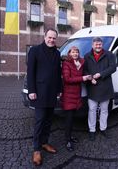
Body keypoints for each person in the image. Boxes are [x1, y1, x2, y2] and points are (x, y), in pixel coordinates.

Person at [27, 28, 62, 166]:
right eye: (50, 37)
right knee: (40, 121)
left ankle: (45, 142)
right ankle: (36, 149)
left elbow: (58, 72)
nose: (51, 40)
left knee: (48, 120)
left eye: (54, 38)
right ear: (45, 36)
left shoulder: (57, 53)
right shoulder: (35, 50)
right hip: (39, 92)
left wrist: (59, 89)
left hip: (52, 92)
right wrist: (31, 90)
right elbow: (30, 72)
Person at [83, 37, 116, 141]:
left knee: (104, 110)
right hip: (92, 87)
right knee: (92, 110)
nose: (98, 46)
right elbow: (85, 71)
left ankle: (103, 128)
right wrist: (90, 78)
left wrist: (100, 74)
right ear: (92, 45)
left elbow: (113, 68)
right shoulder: (87, 56)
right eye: (96, 44)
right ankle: (92, 130)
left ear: (102, 45)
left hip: (105, 87)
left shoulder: (109, 54)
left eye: (100, 44)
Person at [61, 46, 92, 151]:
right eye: (73, 52)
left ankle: (70, 136)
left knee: (72, 118)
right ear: (69, 53)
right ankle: (67, 141)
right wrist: (82, 78)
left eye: (77, 52)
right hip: (68, 95)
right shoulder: (66, 63)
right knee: (68, 120)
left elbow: (84, 72)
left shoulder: (80, 63)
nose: (75, 54)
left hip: (76, 94)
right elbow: (67, 79)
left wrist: (89, 78)